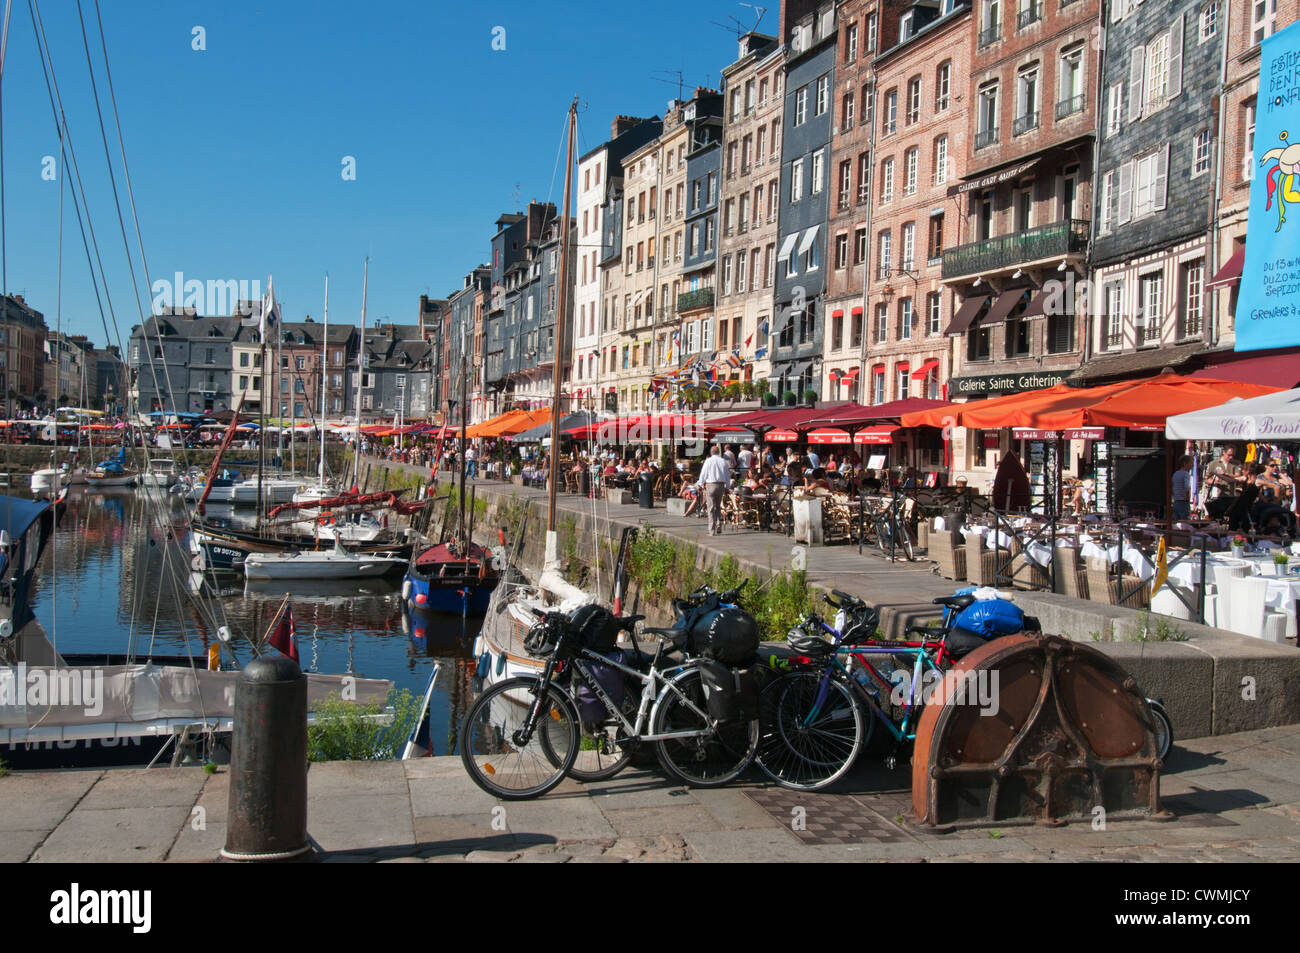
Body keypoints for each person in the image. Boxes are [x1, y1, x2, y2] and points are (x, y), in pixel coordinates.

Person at [696, 445, 732, 536]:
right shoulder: (723, 461)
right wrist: (727, 487)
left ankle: (711, 530)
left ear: (711, 453)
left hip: (711, 485)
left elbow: (703, 474)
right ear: (719, 453)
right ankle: (718, 523)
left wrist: (700, 484)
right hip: (721, 485)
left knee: (711, 507)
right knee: (718, 506)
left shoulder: (708, 461)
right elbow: (727, 475)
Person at [1202, 446, 1242, 519]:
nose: (1231, 457)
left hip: (1231, 495)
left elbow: (1238, 476)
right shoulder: (1213, 464)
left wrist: (1225, 474)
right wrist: (1214, 482)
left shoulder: (1236, 463)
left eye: (1233, 455)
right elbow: (1206, 479)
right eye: (1229, 455)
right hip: (1217, 496)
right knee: (1217, 518)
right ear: (1223, 452)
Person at [1171, 455, 1193, 521]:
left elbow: (1172, 486)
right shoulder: (1185, 474)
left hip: (1176, 502)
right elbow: (1186, 487)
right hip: (1183, 502)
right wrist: (1187, 498)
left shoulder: (1175, 474)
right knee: (1185, 523)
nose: (1192, 465)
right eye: (1191, 463)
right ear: (1185, 463)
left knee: (1176, 523)